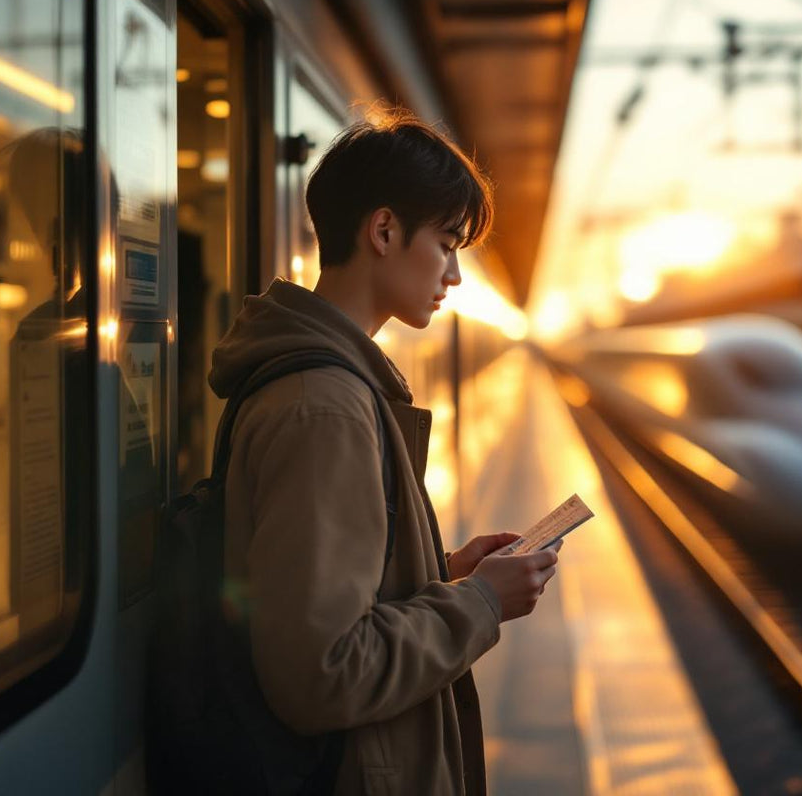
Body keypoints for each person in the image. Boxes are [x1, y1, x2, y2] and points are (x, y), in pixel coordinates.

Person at [207, 108, 560, 795]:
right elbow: (323, 672)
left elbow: (328, 600)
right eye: (448, 243)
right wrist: (481, 603)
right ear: (385, 230)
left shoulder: (329, 387)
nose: (454, 274)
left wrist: (447, 572)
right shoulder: (325, 408)